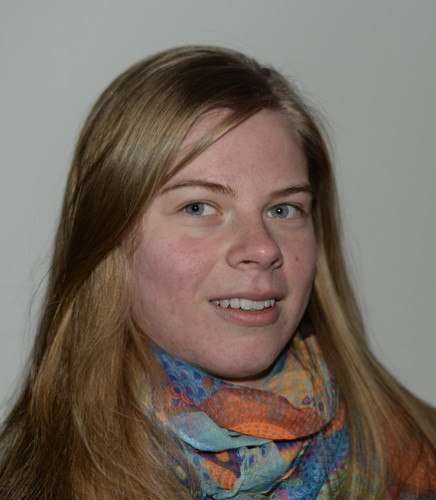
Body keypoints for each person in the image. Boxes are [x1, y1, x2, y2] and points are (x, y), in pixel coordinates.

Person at [0, 46, 435, 500]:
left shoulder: (418, 457)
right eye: (198, 207)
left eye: (283, 209)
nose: (263, 248)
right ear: (110, 236)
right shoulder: (37, 486)